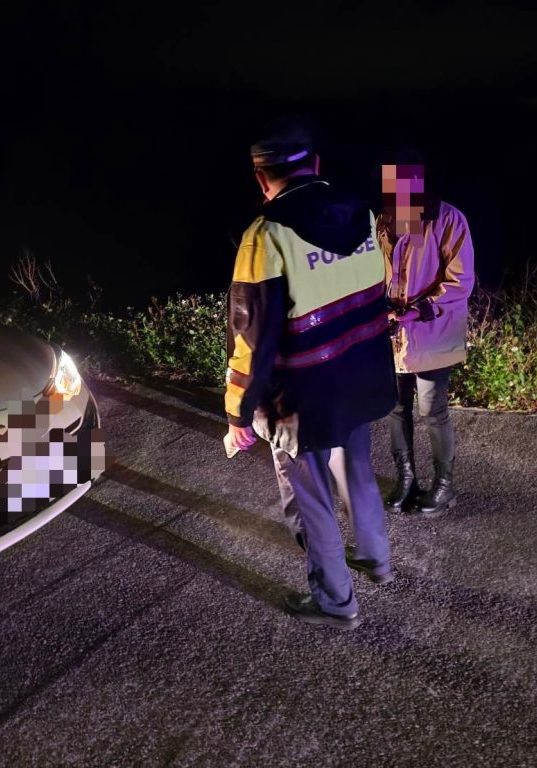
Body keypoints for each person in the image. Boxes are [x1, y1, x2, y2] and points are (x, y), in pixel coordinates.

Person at [224, 118, 397, 630]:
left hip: (302, 396)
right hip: (361, 378)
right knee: (359, 471)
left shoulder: (266, 234)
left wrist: (237, 409)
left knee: (313, 498)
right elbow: (374, 292)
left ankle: (336, 601)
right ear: (316, 166)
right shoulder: (362, 214)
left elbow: (251, 336)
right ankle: (377, 560)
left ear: (261, 178)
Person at [374, 154, 475, 517]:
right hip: (394, 335)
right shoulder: (384, 220)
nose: (396, 194)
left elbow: (460, 281)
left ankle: (444, 487)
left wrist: (417, 310)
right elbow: (378, 271)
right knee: (395, 409)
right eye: (391, 185)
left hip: (432, 332)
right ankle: (406, 479)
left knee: (433, 410)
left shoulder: (448, 219)